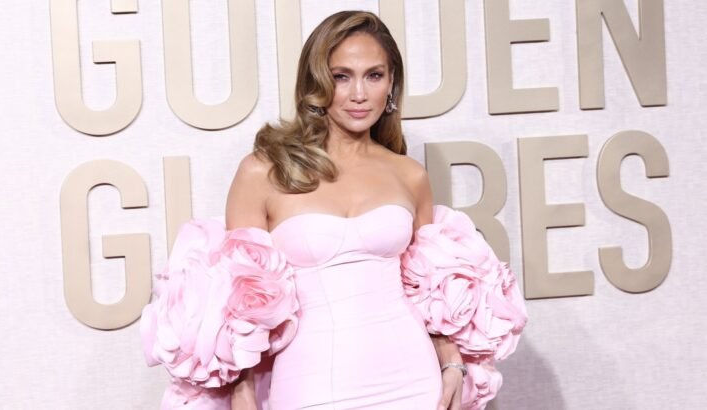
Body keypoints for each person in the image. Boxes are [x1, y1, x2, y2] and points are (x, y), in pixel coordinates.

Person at [141, 10, 527, 410]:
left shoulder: (410, 175)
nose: (359, 94)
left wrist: (452, 364)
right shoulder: (264, 172)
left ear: (392, 83)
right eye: (341, 76)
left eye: (374, 75)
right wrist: (243, 398)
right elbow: (239, 312)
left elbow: (428, 289)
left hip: (413, 378)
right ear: (317, 83)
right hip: (310, 384)